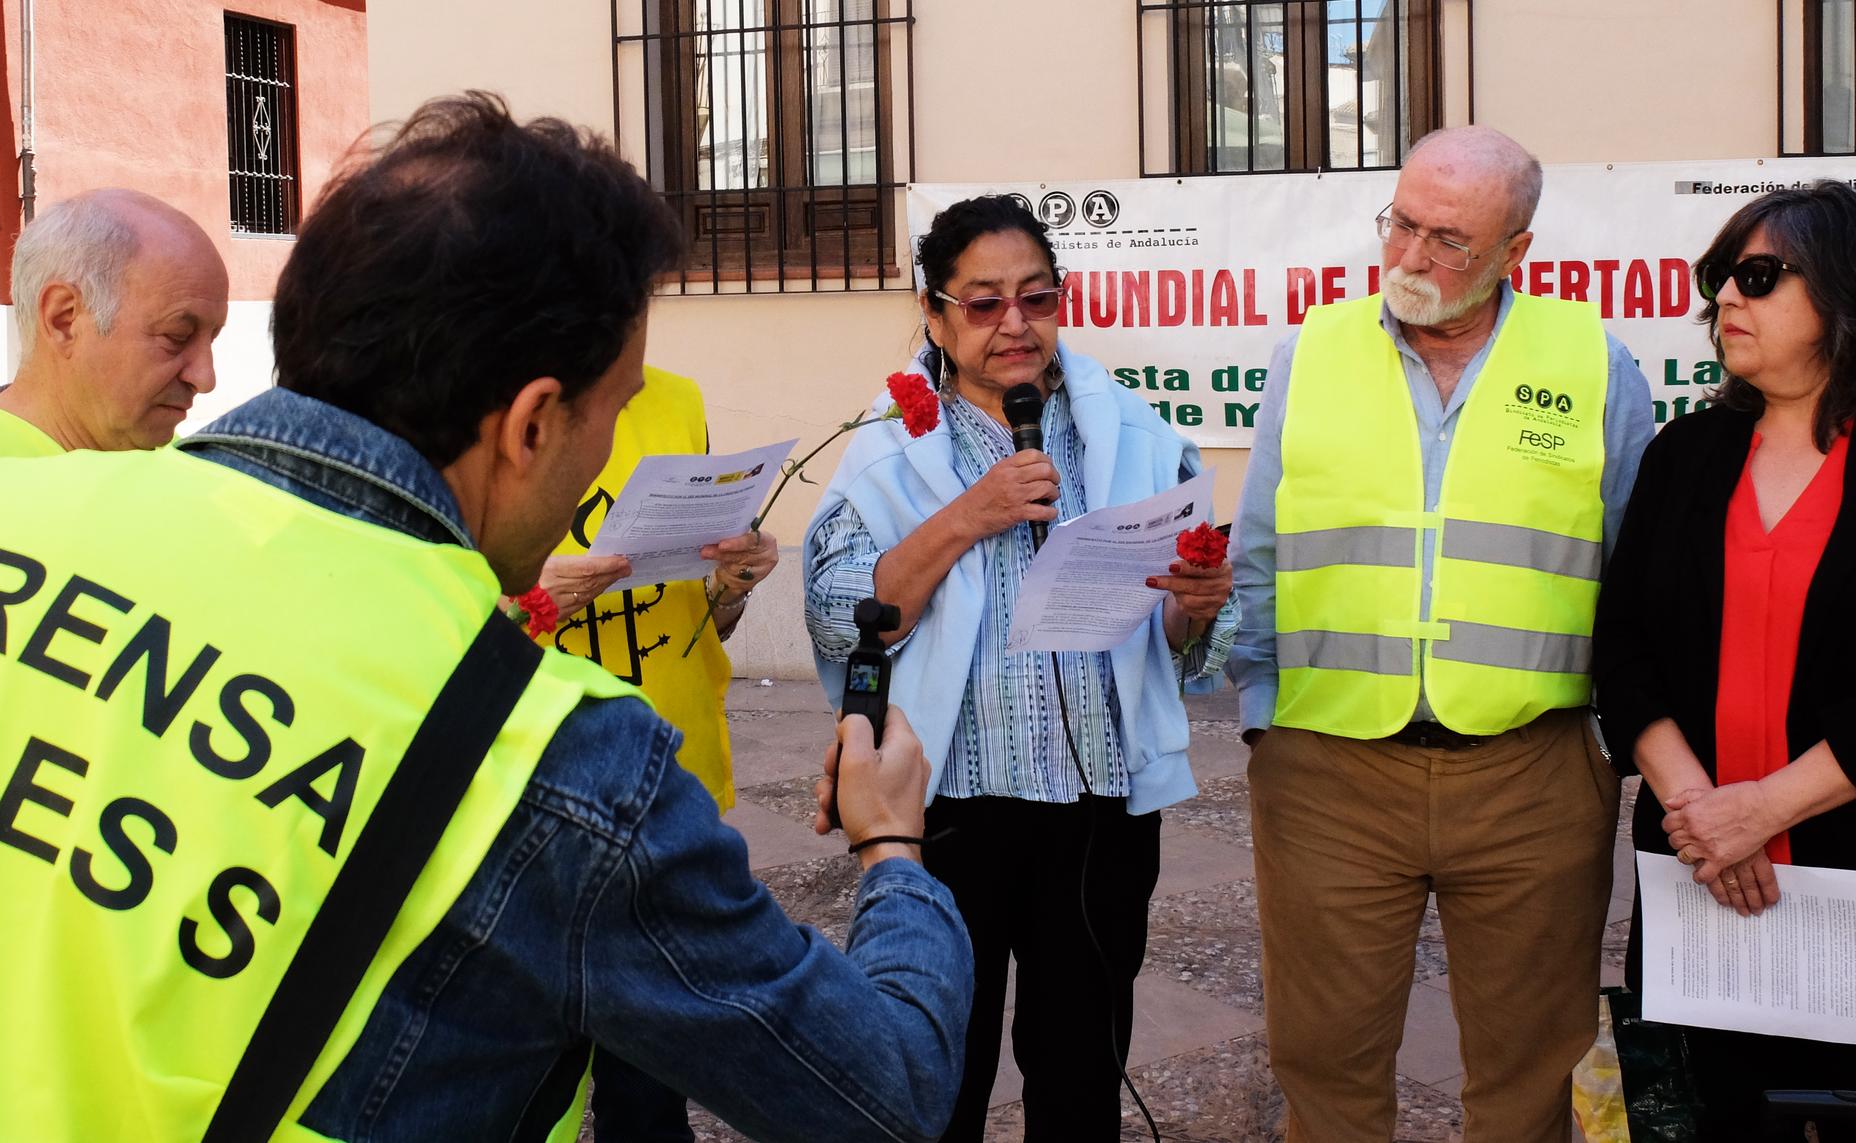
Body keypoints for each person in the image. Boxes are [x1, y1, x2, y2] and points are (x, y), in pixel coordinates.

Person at [0, 93, 970, 1142]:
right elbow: (886, 1090)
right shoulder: (545, 751)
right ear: (534, 424)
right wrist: (890, 843)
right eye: (613, 412)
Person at [1225, 125, 1655, 1142]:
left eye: (1448, 240)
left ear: (1516, 251)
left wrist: (1601, 744)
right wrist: (1260, 717)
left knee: (1529, 1072)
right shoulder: (1312, 353)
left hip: (1531, 781)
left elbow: (1634, 570)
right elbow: (1259, 551)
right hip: (1327, 773)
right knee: (1322, 1063)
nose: (1412, 258)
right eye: (1401, 225)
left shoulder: (1591, 362)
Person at [804, 193, 1238, 1141]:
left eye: (1036, 298)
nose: (1015, 325)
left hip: (1096, 812)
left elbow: (1174, 633)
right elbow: (845, 620)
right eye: (984, 302)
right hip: (948, 810)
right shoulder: (884, 450)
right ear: (934, 314)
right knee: (936, 1072)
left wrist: (1191, 604)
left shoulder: (1134, 433)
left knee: (1082, 1074)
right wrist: (973, 512)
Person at [1595, 182, 1856, 1140]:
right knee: (1705, 1111)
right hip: (1695, 872)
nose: (1725, 304)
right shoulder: (1687, 452)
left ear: (1842, 291)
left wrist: (1767, 808)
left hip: (1840, 871)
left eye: (1756, 276)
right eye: (1718, 283)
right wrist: (1700, 811)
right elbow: (1618, 644)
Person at [532, 364, 780, 1142]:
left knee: (650, 1081)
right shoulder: (475, 396)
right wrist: (529, 598)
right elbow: (439, 610)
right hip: (539, 788)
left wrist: (732, 585)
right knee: (527, 1076)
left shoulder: (676, 398)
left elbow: (705, 616)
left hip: (668, 779)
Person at [0, 188, 228, 512]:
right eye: (177, 336)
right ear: (64, 319)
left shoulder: (205, 482)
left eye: (212, 340)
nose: (205, 378)